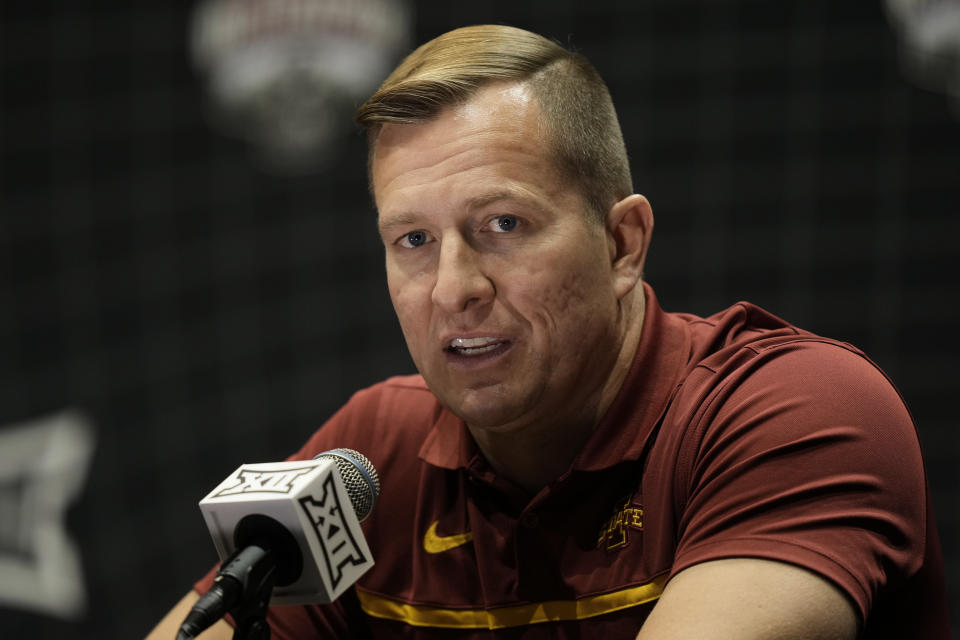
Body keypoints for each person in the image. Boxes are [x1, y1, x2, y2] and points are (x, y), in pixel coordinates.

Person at [148, 25, 950, 639]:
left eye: (503, 224)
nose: (455, 290)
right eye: (413, 242)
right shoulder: (372, 459)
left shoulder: (797, 413)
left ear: (621, 244)